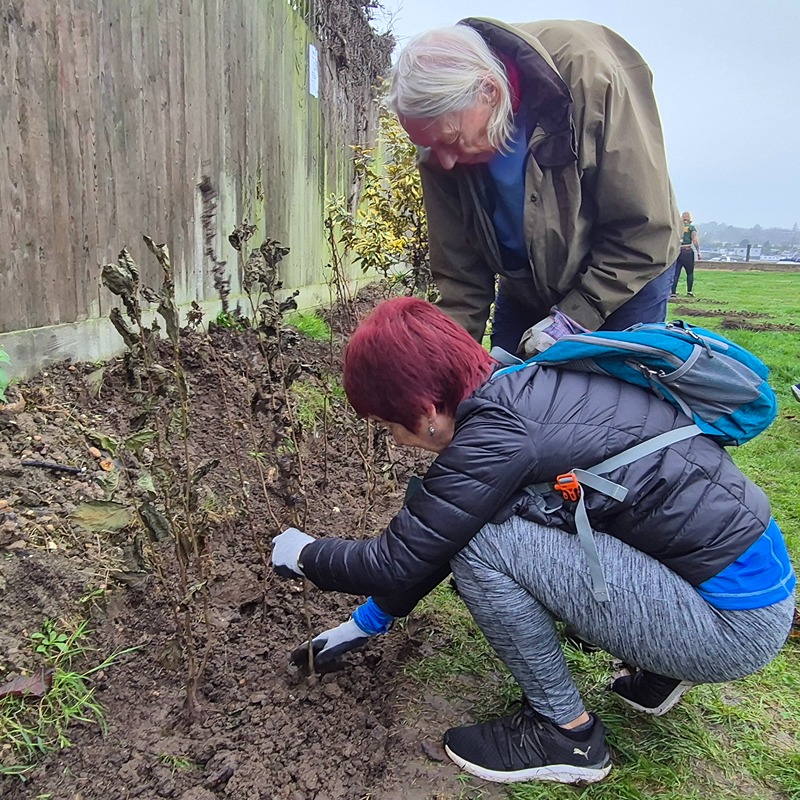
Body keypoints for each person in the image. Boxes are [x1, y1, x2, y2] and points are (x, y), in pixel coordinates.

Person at [271, 297, 796, 786]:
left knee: (484, 544)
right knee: (491, 529)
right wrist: (365, 624)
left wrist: (300, 552)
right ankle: (660, 668)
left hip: (730, 627)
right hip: (747, 591)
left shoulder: (499, 433)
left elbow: (399, 558)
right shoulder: (522, 384)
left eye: (391, 426)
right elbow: (432, 539)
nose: (397, 441)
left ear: (428, 410)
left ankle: (564, 734)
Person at [387, 20, 681, 355]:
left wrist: (574, 318)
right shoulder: (441, 142)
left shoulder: (590, 77)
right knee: (505, 396)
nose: (446, 162)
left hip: (623, 281)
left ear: (490, 92)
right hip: (527, 284)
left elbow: (643, 232)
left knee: (611, 402)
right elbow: (460, 282)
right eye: (429, 147)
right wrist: (441, 368)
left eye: (451, 142)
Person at [671, 211, 702, 297]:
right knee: (690, 272)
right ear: (689, 219)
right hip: (687, 250)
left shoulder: (677, 227)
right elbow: (695, 240)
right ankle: (689, 291)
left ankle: (673, 292)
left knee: (676, 272)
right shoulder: (691, 228)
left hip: (678, 251)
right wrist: (698, 251)